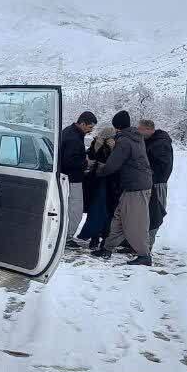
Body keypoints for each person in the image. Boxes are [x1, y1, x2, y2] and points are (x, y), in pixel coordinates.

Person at [91, 110, 154, 266]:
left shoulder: (125, 141)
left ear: (116, 126)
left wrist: (96, 170)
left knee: (135, 222)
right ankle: (107, 248)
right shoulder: (135, 137)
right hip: (134, 185)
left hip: (136, 187)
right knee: (119, 218)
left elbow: (113, 164)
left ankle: (144, 255)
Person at [59, 111, 95, 248]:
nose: (91, 130)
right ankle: (67, 238)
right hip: (73, 179)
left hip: (64, 178)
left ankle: (63, 235)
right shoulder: (74, 138)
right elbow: (70, 161)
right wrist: (86, 163)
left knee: (66, 209)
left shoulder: (67, 131)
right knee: (75, 210)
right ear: (82, 123)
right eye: (90, 127)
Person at [76, 125, 116, 249]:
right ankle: (102, 237)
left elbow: (91, 157)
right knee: (105, 211)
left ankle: (94, 237)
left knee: (96, 210)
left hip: (97, 180)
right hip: (106, 181)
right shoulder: (113, 144)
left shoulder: (97, 142)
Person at [139, 118, 173, 250]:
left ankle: (147, 246)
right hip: (152, 182)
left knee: (155, 213)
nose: (139, 132)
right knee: (148, 213)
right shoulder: (153, 141)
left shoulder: (160, 144)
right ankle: (143, 243)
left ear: (149, 129)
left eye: (140, 129)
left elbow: (163, 165)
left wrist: (149, 173)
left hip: (157, 183)